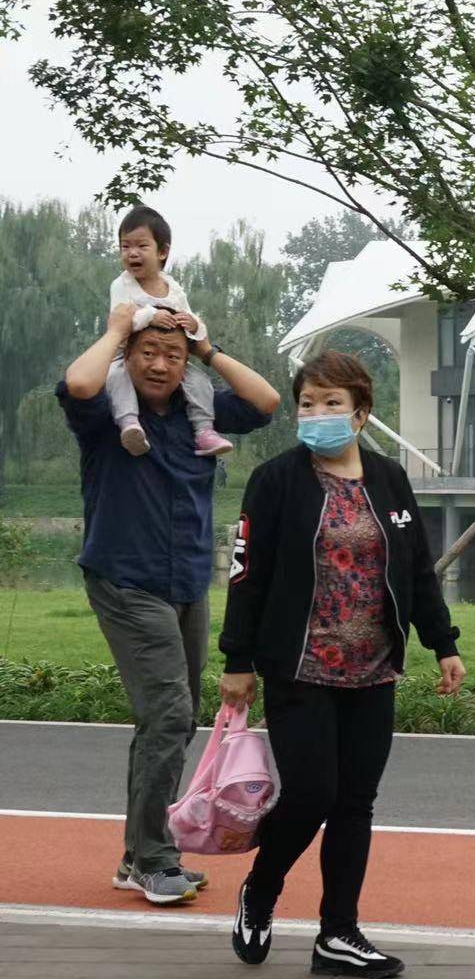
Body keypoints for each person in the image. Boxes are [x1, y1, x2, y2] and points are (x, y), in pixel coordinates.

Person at [217, 350, 466, 978]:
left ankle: (338, 934)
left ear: (360, 413)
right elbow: (247, 573)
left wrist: (443, 642)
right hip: (299, 664)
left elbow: (415, 568)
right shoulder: (276, 480)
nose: (318, 414)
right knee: (312, 794)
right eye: (308, 403)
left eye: (332, 403)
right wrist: (237, 658)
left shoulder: (388, 479)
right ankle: (263, 887)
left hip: (373, 666)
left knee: (356, 801)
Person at [57, 297, 279, 905]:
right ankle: (154, 858)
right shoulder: (106, 417)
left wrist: (205, 347)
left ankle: (138, 854)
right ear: (128, 359)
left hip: (184, 581)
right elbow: (80, 380)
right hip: (125, 581)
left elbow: (265, 402)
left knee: (168, 718)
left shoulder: (196, 416)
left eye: (173, 356)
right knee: (172, 713)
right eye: (148, 353)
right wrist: (115, 329)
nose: (160, 365)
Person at [106, 206, 235, 458]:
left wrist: (195, 326)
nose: (132, 253)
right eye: (125, 246)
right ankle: (129, 423)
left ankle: (204, 430)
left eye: (141, 246)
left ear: (162, 251)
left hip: (170, 356)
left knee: (200, 381)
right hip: (129, 356)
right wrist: (151, 315)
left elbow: (192, 324)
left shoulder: (173, 287)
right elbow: (120, 323)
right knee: (114, 376)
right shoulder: (121, 285)